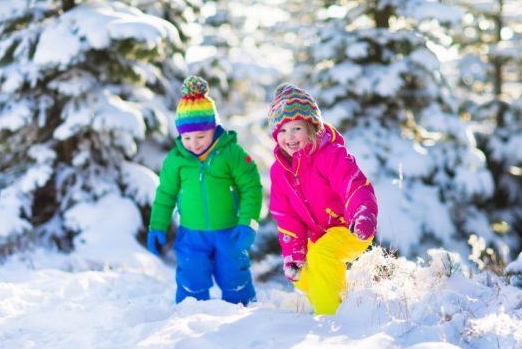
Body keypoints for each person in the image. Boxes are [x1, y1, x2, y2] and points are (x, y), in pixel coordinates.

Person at [147, 76, 262, 306]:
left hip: (229, 231)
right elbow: (165, 194)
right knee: (191, 280)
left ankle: (244, 318)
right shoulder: (176, 160)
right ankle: (191, 318)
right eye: (187, 137)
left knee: (235, 279)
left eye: (201, 136)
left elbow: (251, 187)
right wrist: (157, 225)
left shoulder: (231, 153)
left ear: (214, 128)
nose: (194, 143)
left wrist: (248, 223)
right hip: (191, 235)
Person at [268, 83, 378, 315]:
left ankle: (330, 318)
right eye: (283, 131)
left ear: (311, 128)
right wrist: (294, 253)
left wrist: (362, 213)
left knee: (322, 256)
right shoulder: (280, 172)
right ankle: (346, 303)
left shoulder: (330, 154)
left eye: (296, 128)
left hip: (348, 226)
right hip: (317, 235)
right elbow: (285, 216)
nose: (290, 137)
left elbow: (353, 184)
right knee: (302, 273)